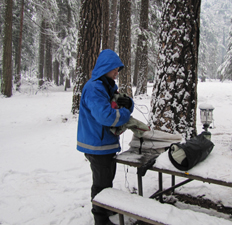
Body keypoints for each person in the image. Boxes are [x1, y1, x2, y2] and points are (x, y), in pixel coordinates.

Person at [76, 49, 134, 225]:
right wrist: (125, 113)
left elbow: (117, 106)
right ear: (105, 68)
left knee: (107, 180)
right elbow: (106, 116)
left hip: (105, 144)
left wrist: (128, 104)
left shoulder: (106, 86)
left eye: (118, 70)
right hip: (96, 144)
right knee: (101, 184)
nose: (117, 73)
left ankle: (106, 208)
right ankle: (100, 219)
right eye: (114, 69)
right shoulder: (94, 88)